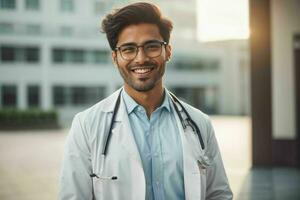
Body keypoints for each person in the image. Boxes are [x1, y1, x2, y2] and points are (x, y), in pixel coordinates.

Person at [59, 2, 233, 200]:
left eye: (151, 47)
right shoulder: (86, 125)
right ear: (115, 57)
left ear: (168, 51)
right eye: (128, 49)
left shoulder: (199, 123)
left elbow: (218, 195)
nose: (141, 58)